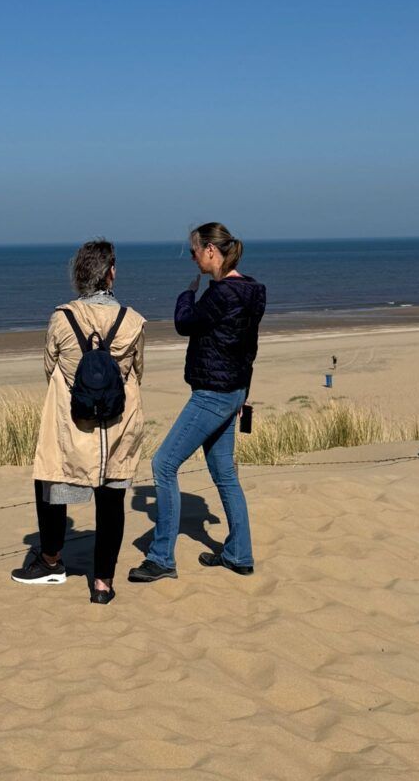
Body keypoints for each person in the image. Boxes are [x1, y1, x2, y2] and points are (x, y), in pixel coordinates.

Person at [128, 222, 266, 583]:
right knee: (224, 473)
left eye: (193, 251)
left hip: (213, 394)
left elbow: (184, 323)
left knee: (164, 465)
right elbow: (249, 349)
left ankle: (161, 558)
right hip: (232, 391)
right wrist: (243, 392)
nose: (192, 258)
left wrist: (188, 293)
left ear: (210, 250)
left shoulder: (221, 294)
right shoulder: (251, 291)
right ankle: (239, 553)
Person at [11, 240, 146, 605]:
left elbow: (49, 367)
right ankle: (102, 583)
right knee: (112, 499)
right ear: (111, 273)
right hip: (117, 424)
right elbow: (137, 372)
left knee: (52, 481)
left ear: (79, 275)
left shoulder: (61, 318)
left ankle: (51, 560)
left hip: (72, 422)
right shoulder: (132, 321)